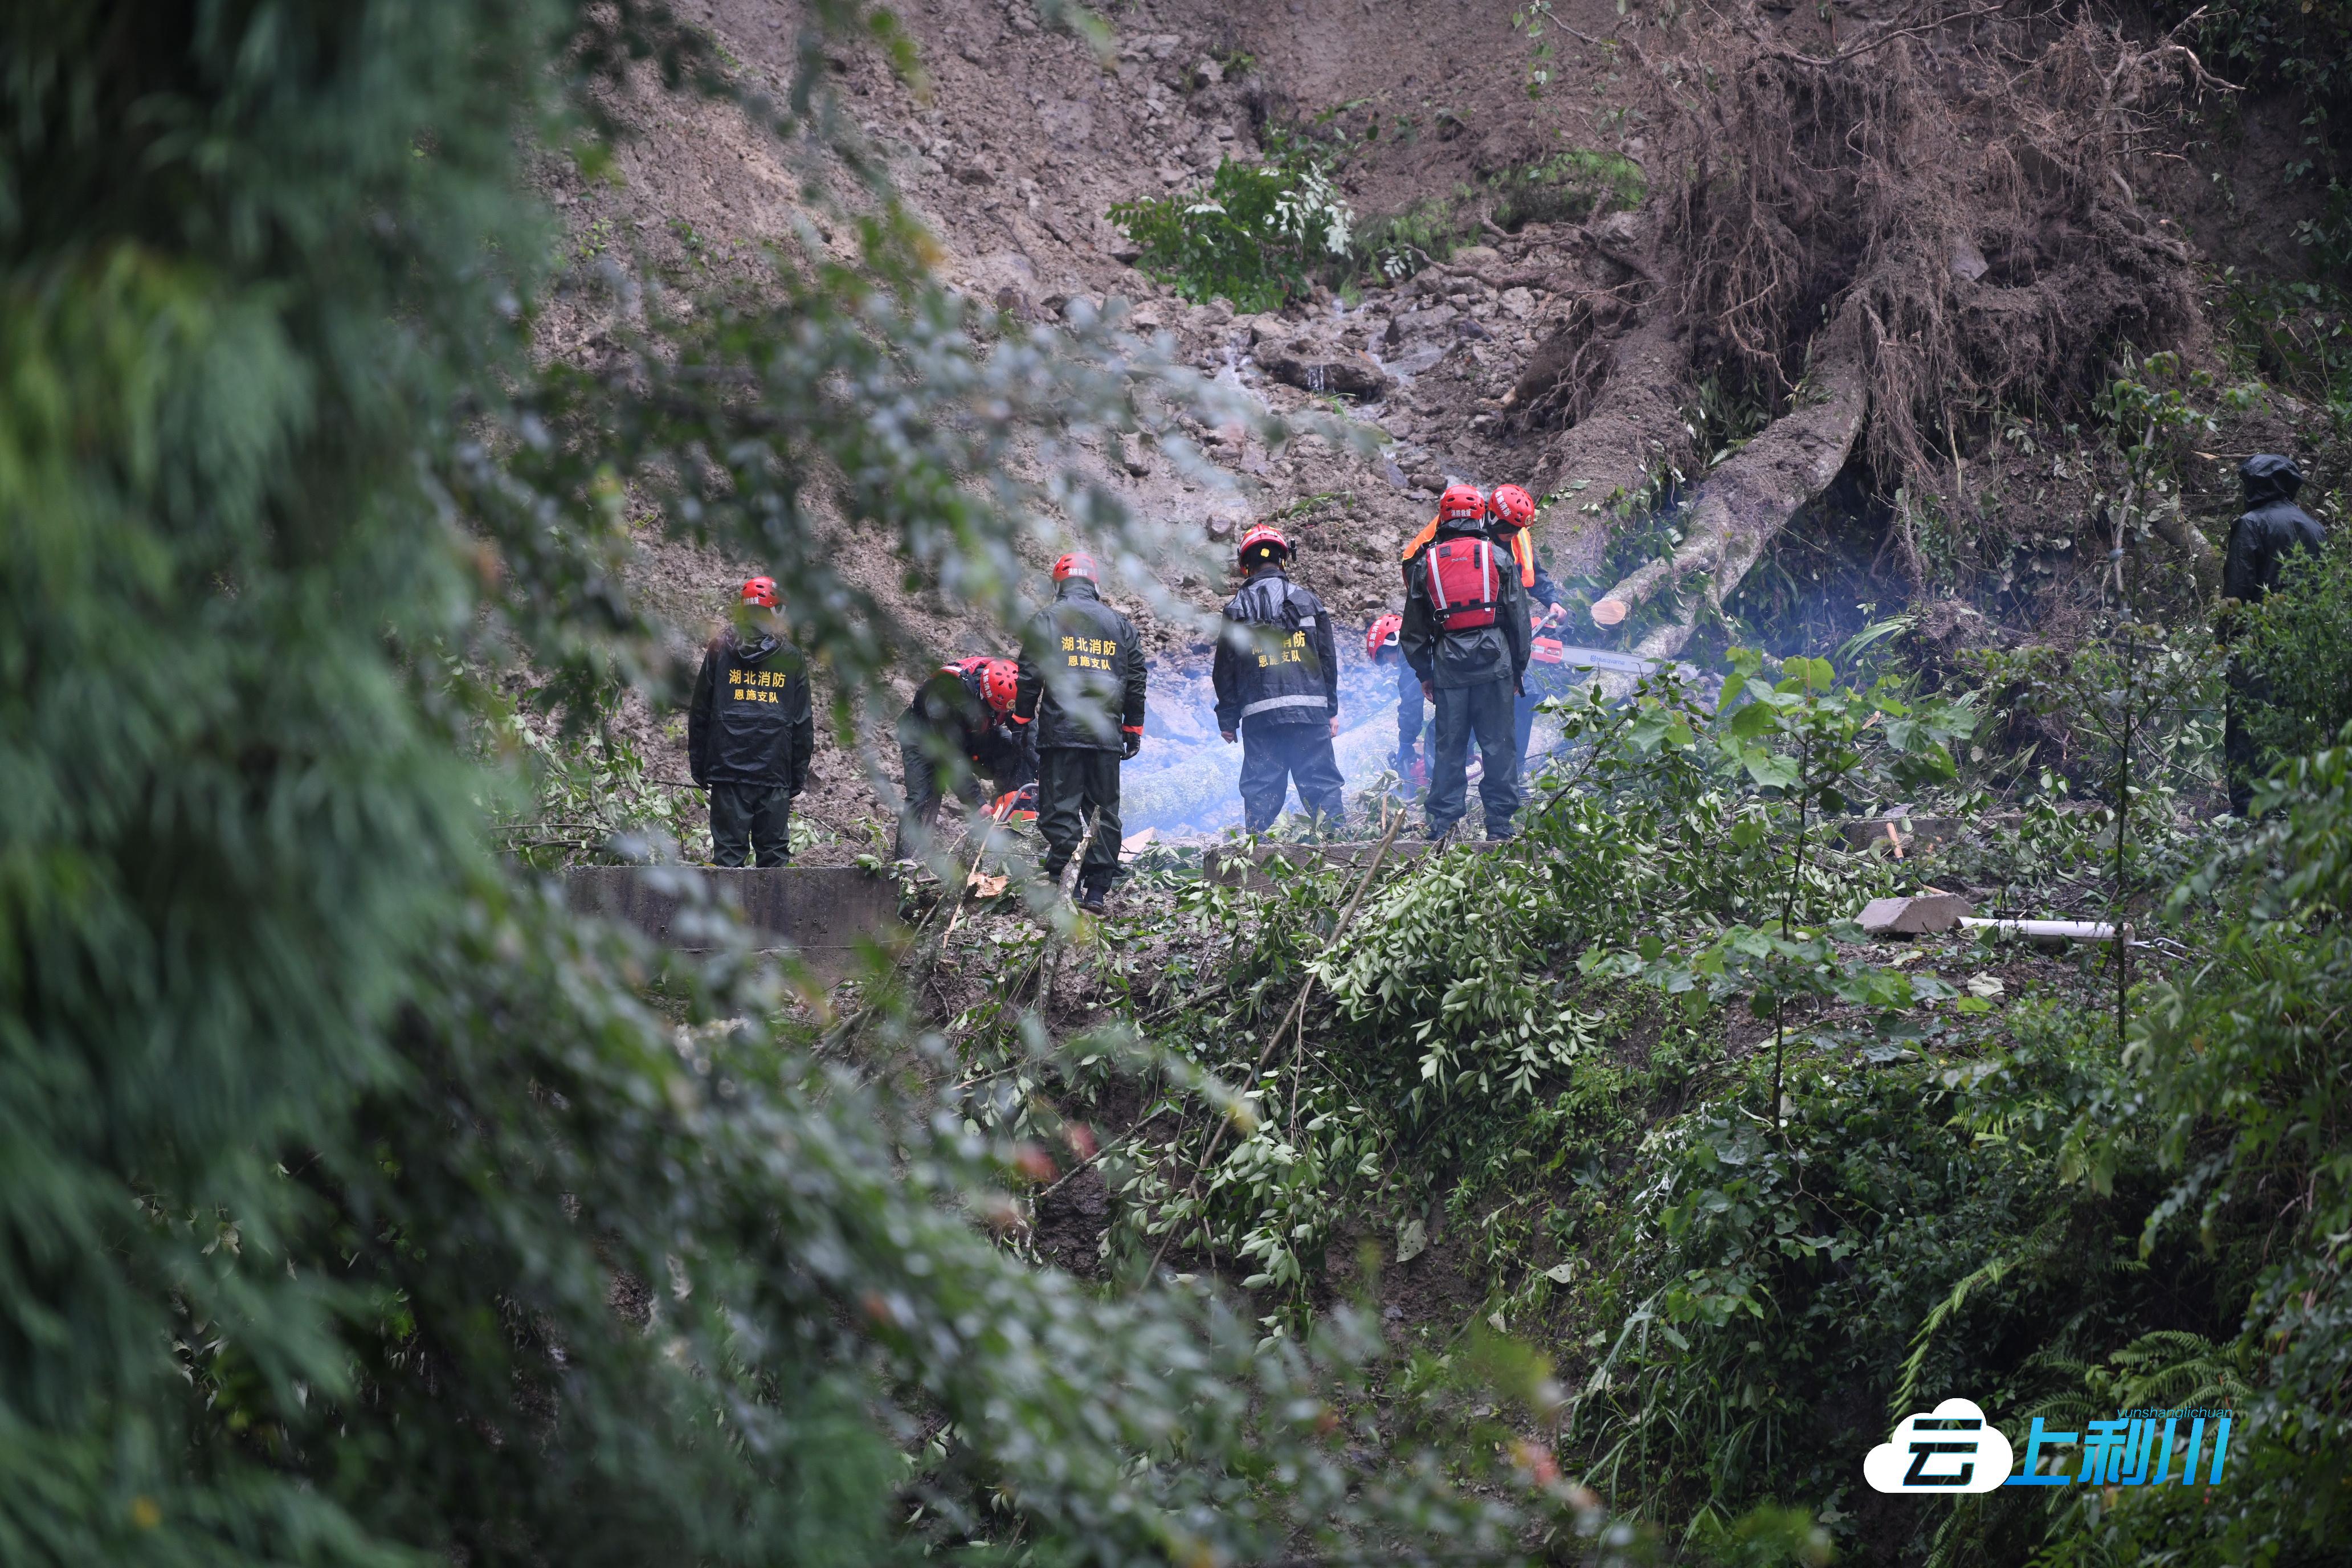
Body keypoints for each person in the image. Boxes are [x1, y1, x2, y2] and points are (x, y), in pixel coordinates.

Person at [1014, 552, 1147, 913]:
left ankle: (1068, 877)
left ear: (1059, 585)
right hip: (1105, 735)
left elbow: (1028, 675)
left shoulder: (1047, 619)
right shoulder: (1120, 625)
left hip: (1062, 732)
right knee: (1103, 810)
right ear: (1094, 584)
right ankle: (1098, 889)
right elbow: (1136, 678)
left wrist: (1022, 720)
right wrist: (1133, 726)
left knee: (1059, 810)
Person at [1401, 491, 1531, 840]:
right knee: (1499, 745)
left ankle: (1443, 826)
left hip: (1449, 669)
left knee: (1450, 747)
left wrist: (1424, 674)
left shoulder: (1425, 564)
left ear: (1444, 517)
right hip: (1497, 665)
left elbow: (1412, 632)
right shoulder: (1500, 558)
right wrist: (1518, 670)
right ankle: (1500, 827)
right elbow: (1520, 622)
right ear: (1480, 517)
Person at [1213, 525, 1345, 834]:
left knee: (1262, 788)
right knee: (1320, 783)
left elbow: (1225, 670)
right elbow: (1327, 658)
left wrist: (1228, 720)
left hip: (1260, 718)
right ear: (1284, 559)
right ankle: (1341, 854)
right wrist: (1331, 708)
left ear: (1246, 565)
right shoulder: (1308, 600)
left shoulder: (1236, 609)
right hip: (1309, 713)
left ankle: (1256, 854)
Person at [2220, 453, 2329, 815]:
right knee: (2294, 722)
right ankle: (2293, 803)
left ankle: (2249, 810)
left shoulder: (2251, 524)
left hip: (2257, 643)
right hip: (2302, 647)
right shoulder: (2315, 527)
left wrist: (2226, 641)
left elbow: (2237, 589)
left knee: (2247, 723)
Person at [688, 575, 814, 867]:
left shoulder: (719, 649)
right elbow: (802, 724)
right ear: (774, 609)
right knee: (773, 859)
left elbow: (700, 712)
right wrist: (795, 777)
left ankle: (726, 913)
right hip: (774, 772)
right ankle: (772, 915)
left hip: (727, 771)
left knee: (728, 859)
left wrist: (700, 767)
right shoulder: (791, 657)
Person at [895, 656, 1035, 858]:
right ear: (986, 696)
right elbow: (949, 756)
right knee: (923, 796)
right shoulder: (948, 692)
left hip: (975, 732)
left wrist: (1043, 767)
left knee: (1018, 755)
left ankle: (1007, 827)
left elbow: (1028, 731)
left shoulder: (1015, 686)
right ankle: (906, 862)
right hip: (926, 737)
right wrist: (977, 802)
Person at [1485, 484, 1571, 763]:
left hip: (1510, 628)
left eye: (1517, 529)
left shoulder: (1519, 536)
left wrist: (1552, 601)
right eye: (1509, 529)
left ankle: (1514, 769)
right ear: (1494, 518)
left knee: (1525, 697)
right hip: (1483, 634)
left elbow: (1534, 573)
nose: (1513, 534)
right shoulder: (1474, 543)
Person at [1366, 611, 1427, 791]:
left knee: (1439, 740)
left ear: (1392, 642)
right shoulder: (1422, 643)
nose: (1392, 664)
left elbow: (1411, 703)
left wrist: (1406, 743)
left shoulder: (1411, 657)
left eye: (1386, 657)